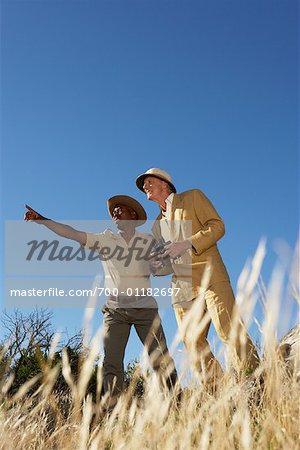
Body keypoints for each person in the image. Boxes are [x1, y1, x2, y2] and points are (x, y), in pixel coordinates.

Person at [24, 195, 178, 407]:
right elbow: (72, 233)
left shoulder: (148, 240)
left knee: (160, 358)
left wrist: (160, 262)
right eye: (113, 211)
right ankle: (114, 411)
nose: (115, 213)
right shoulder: (105, 240)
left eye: (120, 209)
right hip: (115, 312)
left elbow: (162, 267)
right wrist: (43, 220)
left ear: (133, 215)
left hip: (145, 309)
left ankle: (177, 404)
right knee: (112, 364)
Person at [136, 168, 259, 389]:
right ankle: (217, 390)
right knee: (191, 342)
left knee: (227, 328)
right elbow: (165, 263)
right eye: (144, 184)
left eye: (149, 182)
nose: (145, 186)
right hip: (182, 286)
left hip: (210, 274)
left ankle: (255, 378)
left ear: (165, 184)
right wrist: (155, 265)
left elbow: (218, 226)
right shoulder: (156, 225)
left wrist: (187, 242)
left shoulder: (192, 197)